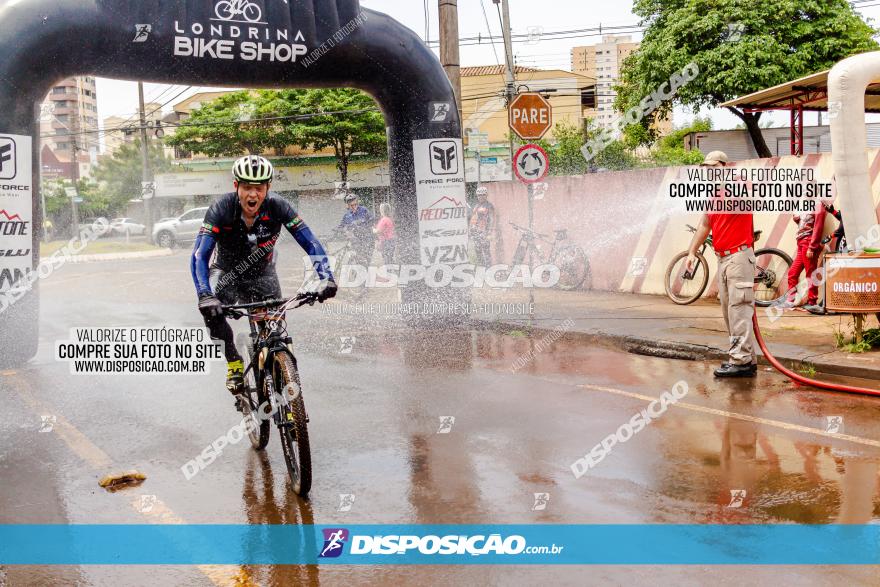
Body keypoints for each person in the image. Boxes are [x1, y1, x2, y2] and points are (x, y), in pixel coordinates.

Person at [191, 155, 337, 396]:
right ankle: (235, 363)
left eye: (258, 188)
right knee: (211, 313)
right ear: (236, 186)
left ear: (268, 188)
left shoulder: (278, 206)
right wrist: (205, 294)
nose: (252, 195)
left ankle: (279, 371)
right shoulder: (221, 209)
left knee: (275, 333)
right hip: (227, 274)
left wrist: (326, 277)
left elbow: (310, 242)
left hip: (263, 273)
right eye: (247, 187)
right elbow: (199, 255)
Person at [685, 151, 757, 378]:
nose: (709, 172)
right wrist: (691, 252)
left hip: (739, 257)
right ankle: (745, 357)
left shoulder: (740, 183)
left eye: (713, 167)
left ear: (725, 166)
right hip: (723, 258)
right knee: (729, 312)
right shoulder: (713, 195)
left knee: (739, 310)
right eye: (706, 169)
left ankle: (741, 361)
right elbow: (705, 225)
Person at [786, 200, 827, 313]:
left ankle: (812, 302)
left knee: (810, 273)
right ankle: (790, 301)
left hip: (809, 242)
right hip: (800, 241)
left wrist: (812, 247)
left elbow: (818, 227)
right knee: (792, 273)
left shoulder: (818, 205)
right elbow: (797, 220)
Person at [337, 191, 375, 268]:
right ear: (347, 205)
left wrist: (362, 225)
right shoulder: (347, 216)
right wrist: (338, 230)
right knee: (358, 262)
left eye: (355, 204)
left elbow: (372, 220)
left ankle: (365, 274)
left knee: (365, 261)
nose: (354, 207)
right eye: (352, 205)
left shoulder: (364, 210)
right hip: (356, 242)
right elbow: (340, 226)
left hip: (367, 240)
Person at [470, 186, 495, 266]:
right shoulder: (476, 206)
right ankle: (481, 268)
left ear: (486, 195)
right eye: (479, 195)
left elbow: (492, 219)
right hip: (475, 232)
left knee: (486, 251)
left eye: (483, 195)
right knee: (478, 251)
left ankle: (489, 269)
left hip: (484, 232)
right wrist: (471, 229)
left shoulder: (489, 205)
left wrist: (490, 232)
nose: (481, 196)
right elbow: (473, 218)